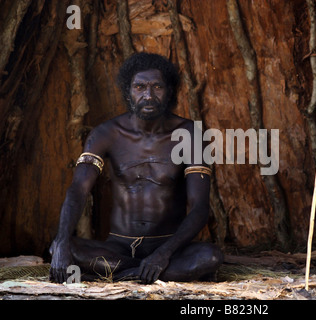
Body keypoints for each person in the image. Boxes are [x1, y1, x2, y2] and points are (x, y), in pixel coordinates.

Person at [49, 52, 223, 284]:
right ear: (128, 91)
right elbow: (78, 190)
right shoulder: (106, 133)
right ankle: (141, 272)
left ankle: (121, 275)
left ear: (169, 90)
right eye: (140, 87)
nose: (148, 95)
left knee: (209, 257)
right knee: (59, 247)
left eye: (157, 87)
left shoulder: (189, 134)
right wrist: (62, 242)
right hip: (117, 250)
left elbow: (200, 207)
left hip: (170, 247)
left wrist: (163, 253)